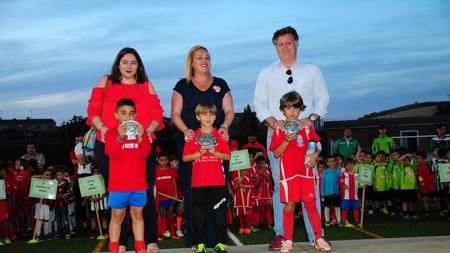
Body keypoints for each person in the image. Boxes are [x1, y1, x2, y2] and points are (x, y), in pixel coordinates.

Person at [253, 26, 329, 249]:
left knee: (309, 185)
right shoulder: (266, 72)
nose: (284, 47)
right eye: (280, 44)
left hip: (306, 134)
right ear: (275, 47)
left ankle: (316, 235)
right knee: (281, 185)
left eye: (288, 42)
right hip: (278, 133)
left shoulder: (311, 69)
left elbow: (323, 98)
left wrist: (312, 118)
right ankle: (281, 235)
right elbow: (259, 103)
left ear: (297, 43)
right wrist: (273, 122)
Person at [87, 47, 163, 253]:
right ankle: (119, 243)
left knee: (144, 191)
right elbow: (93, 109)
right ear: (118, 64)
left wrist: (147, 131)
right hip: (110, 144)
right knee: (117, 192)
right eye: (125, 62)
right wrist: (102, 128)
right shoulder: (106, 81)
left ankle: (149, 240)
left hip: (141, 144)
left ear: (139, 65)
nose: (129, 66)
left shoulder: (146, 84)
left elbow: (158, 113)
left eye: (133, 62)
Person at [171, 45, 234, 247]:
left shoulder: (220, 84)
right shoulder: (182, 86)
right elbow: (175, 114)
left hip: (218, 148)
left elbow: (230, 111)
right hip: (191, 147)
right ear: (191, 62)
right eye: (199, 58)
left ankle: (218, 240)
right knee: (194, 197)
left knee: (217, 196)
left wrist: (224, 125)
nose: (204, 60)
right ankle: (196, 242)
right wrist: (185, 130)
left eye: (207, 57)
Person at [269, 91, 331, 252]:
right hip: (289, 175)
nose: (292, 111)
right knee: (289, 205)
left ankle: (318, 238)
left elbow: (318, 146)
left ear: (300, 109)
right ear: (282, 110)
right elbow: (276, 153)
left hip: (306, 173)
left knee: (311, 205)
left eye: (295, 108)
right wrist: (286, 141)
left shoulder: (306, 127)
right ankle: (288, 240)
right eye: (288, 108)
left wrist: (315, 156)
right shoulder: (279, 129)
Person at [182, 102, 231, 253]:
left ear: (215, 117)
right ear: (198, 116)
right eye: (204, 114)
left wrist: (215, 152)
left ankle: (221, 243)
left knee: (220, 214)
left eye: (211, 114)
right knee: (199, 214)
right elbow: (185, 158)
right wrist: (198, 153)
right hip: (199, 182)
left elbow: (228, 156)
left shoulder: (220, 135)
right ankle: (200, 244)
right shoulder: (193, 136)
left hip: (217, 181)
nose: (208, 117)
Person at [104, 98, 151, 253]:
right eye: (123, 113)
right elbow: (112, 154)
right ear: (116, 115)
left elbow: (145, 153)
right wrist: (119, 137)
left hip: (138, 183)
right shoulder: (111, 134)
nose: (127, 117)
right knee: (117, 216)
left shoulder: (140, 133)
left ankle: (140, 247)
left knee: (138, 215)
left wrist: (141, 138)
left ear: (135, 115)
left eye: (131, 113)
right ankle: (114, 248)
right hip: (118, 185)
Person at [154, 152, 179, 240]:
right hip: (161, 198)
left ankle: (173, 233)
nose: (163, 162)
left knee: (170, 214)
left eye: (165, 160)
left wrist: (175, 194)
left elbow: (174, 182)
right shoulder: (155, 172)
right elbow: (154, 185)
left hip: (171, 197)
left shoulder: (171, 170)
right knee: (161, 215)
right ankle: (160, 234)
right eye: (161, 160)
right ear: (158, 161)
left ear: (168, 161)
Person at [321, 156, 342, 227]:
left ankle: (339, 220)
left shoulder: (338, 171)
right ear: (327, 163)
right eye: (329, 161)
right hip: (327, 192)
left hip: (336, 192)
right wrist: (322, 192)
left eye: (333, 161)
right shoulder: (325, 172)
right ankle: (327, 221)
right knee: (327, 206)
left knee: (337, 206)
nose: (331, 163)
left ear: (336, 162)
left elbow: (341, 181)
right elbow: (323, 183)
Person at [338, 159, 360, 227]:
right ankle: (343, 221)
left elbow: (360, 184)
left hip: (355, 196)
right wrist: (343, 185)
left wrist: (363, 185)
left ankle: (357, 221)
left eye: (351, 164)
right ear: (346, 166)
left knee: (356, 209)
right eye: (348, 165)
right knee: (345, 209)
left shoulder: (357, 174)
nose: (350, 166)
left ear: (354, 165)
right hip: (346, 196)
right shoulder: (344, 174)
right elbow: (339, 181)